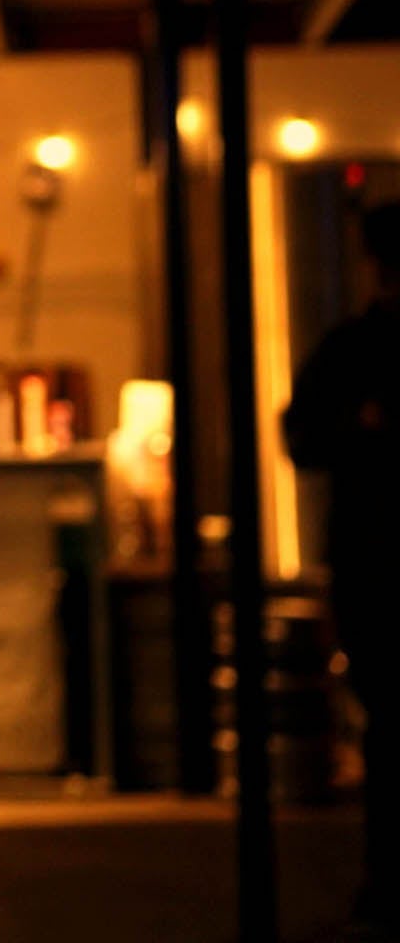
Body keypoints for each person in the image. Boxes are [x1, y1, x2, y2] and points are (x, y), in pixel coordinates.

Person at [284, 200, 400, 941]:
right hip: (371, 553)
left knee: (386, 716)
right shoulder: (355, 346)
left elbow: (303, 437)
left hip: (372, 554)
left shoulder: (354, 346)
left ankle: (385, 880)